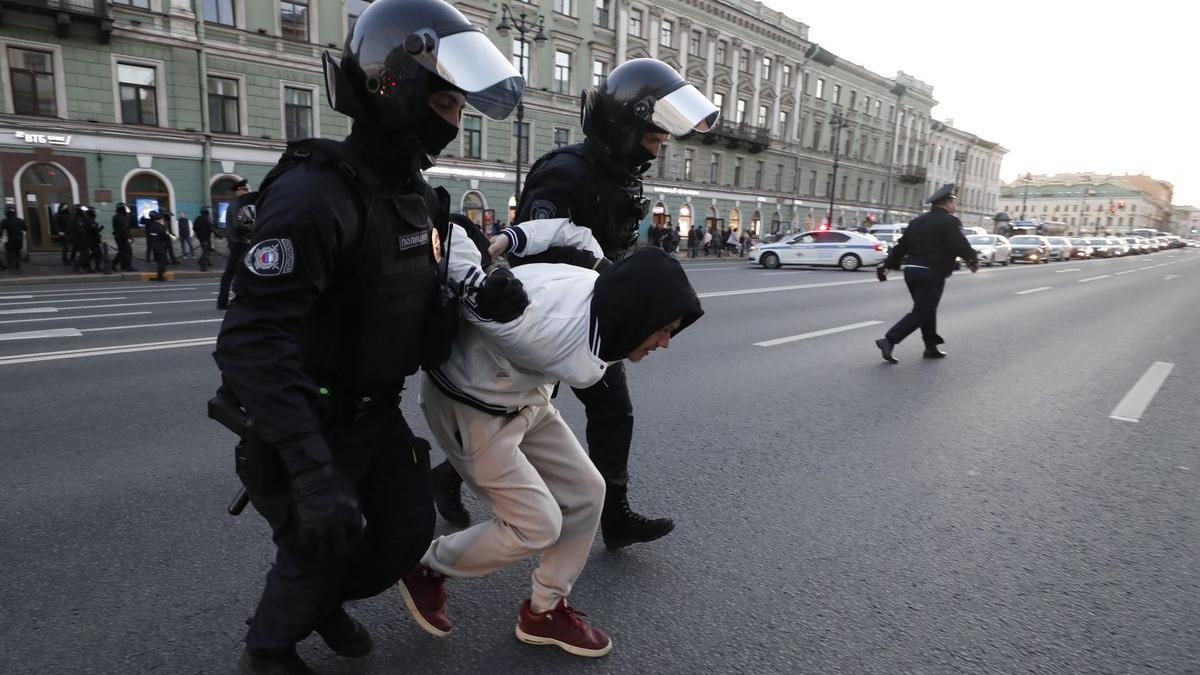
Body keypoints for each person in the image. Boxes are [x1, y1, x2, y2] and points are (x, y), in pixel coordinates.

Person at [212, 0, 526, 671]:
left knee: (402, 533)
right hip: (311, 417)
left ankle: (321, 601)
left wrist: (474, 298)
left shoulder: (408, 193)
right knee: (317, 544)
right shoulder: (315, 194)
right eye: (447, 101)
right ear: (398, 85)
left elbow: (405, 307)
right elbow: (248, 343)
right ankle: (268, 649)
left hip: (375, 411)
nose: (457, 117)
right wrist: (311, 469)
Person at [429, 57, 719, 550]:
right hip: (558, 320)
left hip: (601, 315)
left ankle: (612, 513)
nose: (662, 142)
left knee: (592, 413)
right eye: (654, 134)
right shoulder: (565, 173)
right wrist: (604, 280)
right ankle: (455, 480)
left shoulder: (621, 169)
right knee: (530, 413)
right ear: (625, 125)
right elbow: (542, 252)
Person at [402, 223, 703, 658]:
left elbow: (574, 232)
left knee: (587, 492)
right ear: (638, 313)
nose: (666, 342)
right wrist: (475, 263)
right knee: (537, 525)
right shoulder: (540, 328)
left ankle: (543, 611)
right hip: (470, 408)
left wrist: (508, 239)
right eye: (663, 329)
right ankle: (427, 568)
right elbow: (458, 263)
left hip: (523, 397)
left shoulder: (605, 282)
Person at [875, 183, 979, 363]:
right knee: (923, 311)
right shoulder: (949, 221)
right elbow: (959, 244)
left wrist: (888, 265)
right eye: (953, 202)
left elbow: (901, 247)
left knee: (926, 309)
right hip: (932, 273)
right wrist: (972, 260)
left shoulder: (916, 222)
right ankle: (890, 340)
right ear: (947, 203)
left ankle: (931, 346)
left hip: (911, 272)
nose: (955, 206)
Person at [217, 179, 253, 309]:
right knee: (243, 272)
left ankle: (223, 301)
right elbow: (239, 226)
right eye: (245, 190)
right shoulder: (238, 205)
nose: (247, 192)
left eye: (247, 189)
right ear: (238, 191)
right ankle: (239, 299)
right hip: (239, 243)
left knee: (233, 272)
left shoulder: (235, 205)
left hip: (236, 242)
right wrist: (253, 229)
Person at [145, 210, 170, 281]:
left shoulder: (153, 226)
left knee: (159, 261)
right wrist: (167, 236)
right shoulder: (160, 227)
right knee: (162, 262)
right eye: (162, 219)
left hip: (155, 245)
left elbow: (152, 236)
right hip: (161, 245)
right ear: (159, 220)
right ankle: (160, 276)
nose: (163, 220)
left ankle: (160, 275)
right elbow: (164, 235)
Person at [111, 203, 136, 272]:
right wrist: (128, 237)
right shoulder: (120, 217)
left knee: (122, 252)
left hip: (120, 237)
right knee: (128, 252)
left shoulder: (118, 216)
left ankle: (122, 266)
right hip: (122, 238)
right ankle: (126, 267)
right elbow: (124, 229)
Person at [1, 204, 25, 271]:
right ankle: (17, 265)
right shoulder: (20, 220)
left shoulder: (4, 221)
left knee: (9, 251)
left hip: (11, 240)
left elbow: (1, 231)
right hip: (20, 239)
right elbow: (25, 228)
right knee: (17, 251)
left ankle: (10, 265)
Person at [193, 207, 215, 271]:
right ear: (206, 212)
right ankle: (203, 267)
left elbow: (194, 228)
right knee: (206, 251)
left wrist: (198, 232)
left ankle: (206, 262)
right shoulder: (207, 218)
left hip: (200, 237)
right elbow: (210, 227)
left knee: (206, 250)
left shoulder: (197, 218)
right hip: (206, 237)